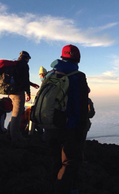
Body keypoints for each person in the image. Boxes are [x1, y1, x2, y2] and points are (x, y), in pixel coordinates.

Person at [46, 44, 88, 194]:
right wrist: (81, 128)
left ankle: (57, 187)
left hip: (49, 125)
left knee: (55, 160)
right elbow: (81, 106)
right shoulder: (78, 76)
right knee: (69, 163)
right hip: (68, 127)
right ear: (78, 59)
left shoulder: (50, 75)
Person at [7, 51, 39, 142]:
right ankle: (15, 136)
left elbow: (19, 78)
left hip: (11, 92)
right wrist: (28, 93)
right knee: (17, 114)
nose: (29, 60)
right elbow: (25, 80)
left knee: (14, 112)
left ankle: (9, 131)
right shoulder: (24, 65)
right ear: (26, 58)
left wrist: (32, 84)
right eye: (29, 58)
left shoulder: (15, 64)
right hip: (18, 92)